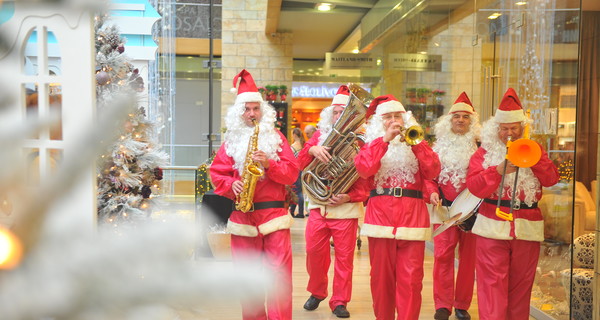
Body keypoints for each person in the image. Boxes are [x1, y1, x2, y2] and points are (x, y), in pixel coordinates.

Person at [209, 69, 299, 320]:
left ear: (264, 111)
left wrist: (270, 163)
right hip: (242, 218)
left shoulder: (277, 138)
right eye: (247, 109)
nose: (251, 114)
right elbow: (216, 173)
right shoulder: (231, 141)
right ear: (239, 113)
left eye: (255, 109)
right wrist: (231, 186)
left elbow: (292, 174)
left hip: (274, 217)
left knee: (279, 280)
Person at [465, 88, 559, 320]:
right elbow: (475, 186)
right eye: (504, 129)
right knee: (491, 287)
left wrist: (533, 158)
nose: (509, 133)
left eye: (514, 128)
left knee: (521, 288)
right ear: (495, 128)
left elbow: (551, 179)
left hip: (527, 227)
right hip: (491, 225)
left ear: (523, 128)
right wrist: (498, 170)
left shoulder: (536, 149)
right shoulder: (483, 153)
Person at [354, 95, 440, 320]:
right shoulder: (370, 143)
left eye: (397, 117)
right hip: (380, 215)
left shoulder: (417, 142)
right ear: (378, 122)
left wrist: (417, 143)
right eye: (388, 117)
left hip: (412, 217)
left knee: (411, 280)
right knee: (381, 279)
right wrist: (384, 140)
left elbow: (432, 171)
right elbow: (364, 169)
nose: (394, 122)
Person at [296, 84, 370, 318]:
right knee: (313, 252)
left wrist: (350, 196)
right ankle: (317, 291)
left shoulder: (362, 139)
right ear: (330, 114)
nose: (340, 116)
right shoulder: (318, 136)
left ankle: (339, 301)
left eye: (344, 112)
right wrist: (312, 151)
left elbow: (367, 177)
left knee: (345, 259)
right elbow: (298, 165)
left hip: (345, 209)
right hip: (319, 208)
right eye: (337, 112)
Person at [423, 92, 481, 320]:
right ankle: (442, 305)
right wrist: (432, 192)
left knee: (469, 260)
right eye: (456, 116)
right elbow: (428, 177)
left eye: (465, 117)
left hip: (472, 212)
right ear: (449, 120)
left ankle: (462, 304)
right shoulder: (436, 147)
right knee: (443, 257)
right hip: (444, 209)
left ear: (471, 122)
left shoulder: (480, 147)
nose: (460, 120)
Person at [289, 127, 305, 218]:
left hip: (295, 170)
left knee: (296, 191)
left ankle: (300, 213)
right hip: (302, 169)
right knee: (299, 190)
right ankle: (297, 211)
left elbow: (291, 159)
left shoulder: (293, 146)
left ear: (294, 135)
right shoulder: (303, 145)